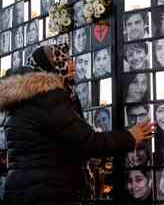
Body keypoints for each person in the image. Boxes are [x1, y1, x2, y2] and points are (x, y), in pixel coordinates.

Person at [0, 44, 155, 204]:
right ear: (51, 67)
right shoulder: (47, 98)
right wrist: (129, 137)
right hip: (47, 193)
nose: (73, 65)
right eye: (65, 60)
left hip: (21, 192)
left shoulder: (22, 99)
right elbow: (87, 142)